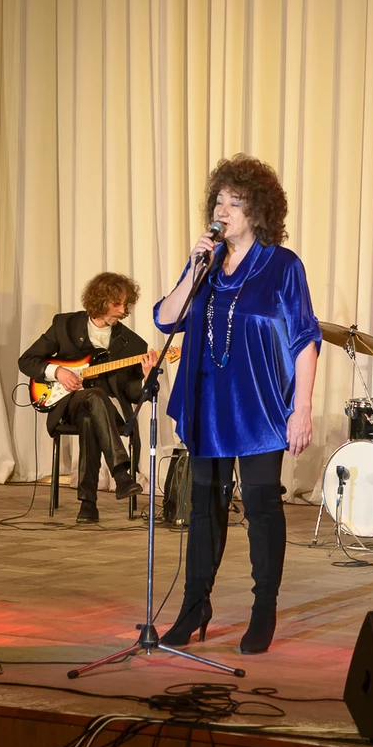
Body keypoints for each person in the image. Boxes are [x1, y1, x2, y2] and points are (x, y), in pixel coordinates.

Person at [154, 154, 320, 654]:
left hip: (260, 406)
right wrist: (193, 268)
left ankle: (263, 608)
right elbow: (167, 319)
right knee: (204, 507)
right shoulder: (205, 264)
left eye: (236, 203)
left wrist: (302, 407)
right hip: (208, 402)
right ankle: (194, 605)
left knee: (262, 506)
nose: (223, 211)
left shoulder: (282, 266)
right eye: (219, 201)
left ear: (258, 210)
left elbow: (305, 339)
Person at [19, 272, 155, 524]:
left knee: (92, 413)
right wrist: (58, 372)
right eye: (117, 303)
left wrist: (147, 378)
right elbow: (26, 360)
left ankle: (88, 503)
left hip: (105, 411)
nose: (123, 310)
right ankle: (121, 474)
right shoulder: (65, 325)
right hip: (66, 404)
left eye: (126, 304)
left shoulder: (133, 344)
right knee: (93, 397)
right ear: (100, 300)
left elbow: (132, 393)